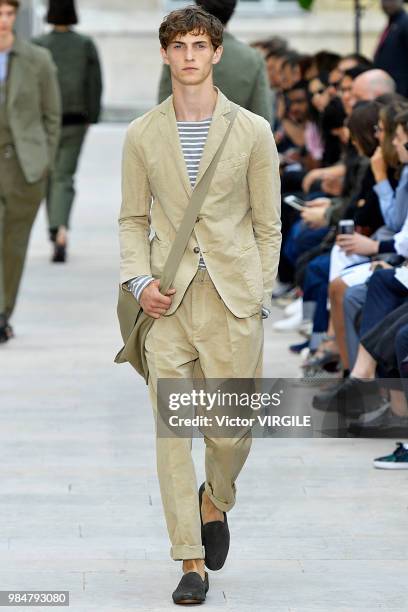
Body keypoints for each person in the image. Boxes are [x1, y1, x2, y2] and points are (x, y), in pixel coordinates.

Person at [118, 6, 281, 604]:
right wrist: (139, 282)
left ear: (216, 53)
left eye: (198, 45)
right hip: (168, 301)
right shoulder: (142, 133)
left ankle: (215, 499)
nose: (189, 55)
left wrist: (258, 296)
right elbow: (133, 219)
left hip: (233, 299)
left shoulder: (252, 130)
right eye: (178, 45)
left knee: (232, 430)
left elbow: (269, 225)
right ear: (164, 55)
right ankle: (190, 559)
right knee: (172, 433)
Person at [0, 0, 60, 343]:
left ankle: (4, 311)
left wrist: (44, 160)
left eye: (9, 14)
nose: (4, 21)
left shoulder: (37, 59)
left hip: (25, 167)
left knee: (14, 244)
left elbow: (52, 115)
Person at [34, 0, 103, 263]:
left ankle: (55, 229)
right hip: (76, 119)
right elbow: (94, 82)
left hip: (44, 122)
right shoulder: (85, 45)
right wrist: (92, 115)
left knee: (51, 175)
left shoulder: (39, 45)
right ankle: (61, 229)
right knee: (64, 175)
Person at [157, 0, 271, 124]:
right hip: (239, 138)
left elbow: (162, 109)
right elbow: (263, 114)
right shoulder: (252, 59)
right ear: (232, 10)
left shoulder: (178, 54)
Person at [373, 0, 408, 97]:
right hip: (388, 88)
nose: (385, 3)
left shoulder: (404, 23)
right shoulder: (393, 23)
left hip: (401, 91)